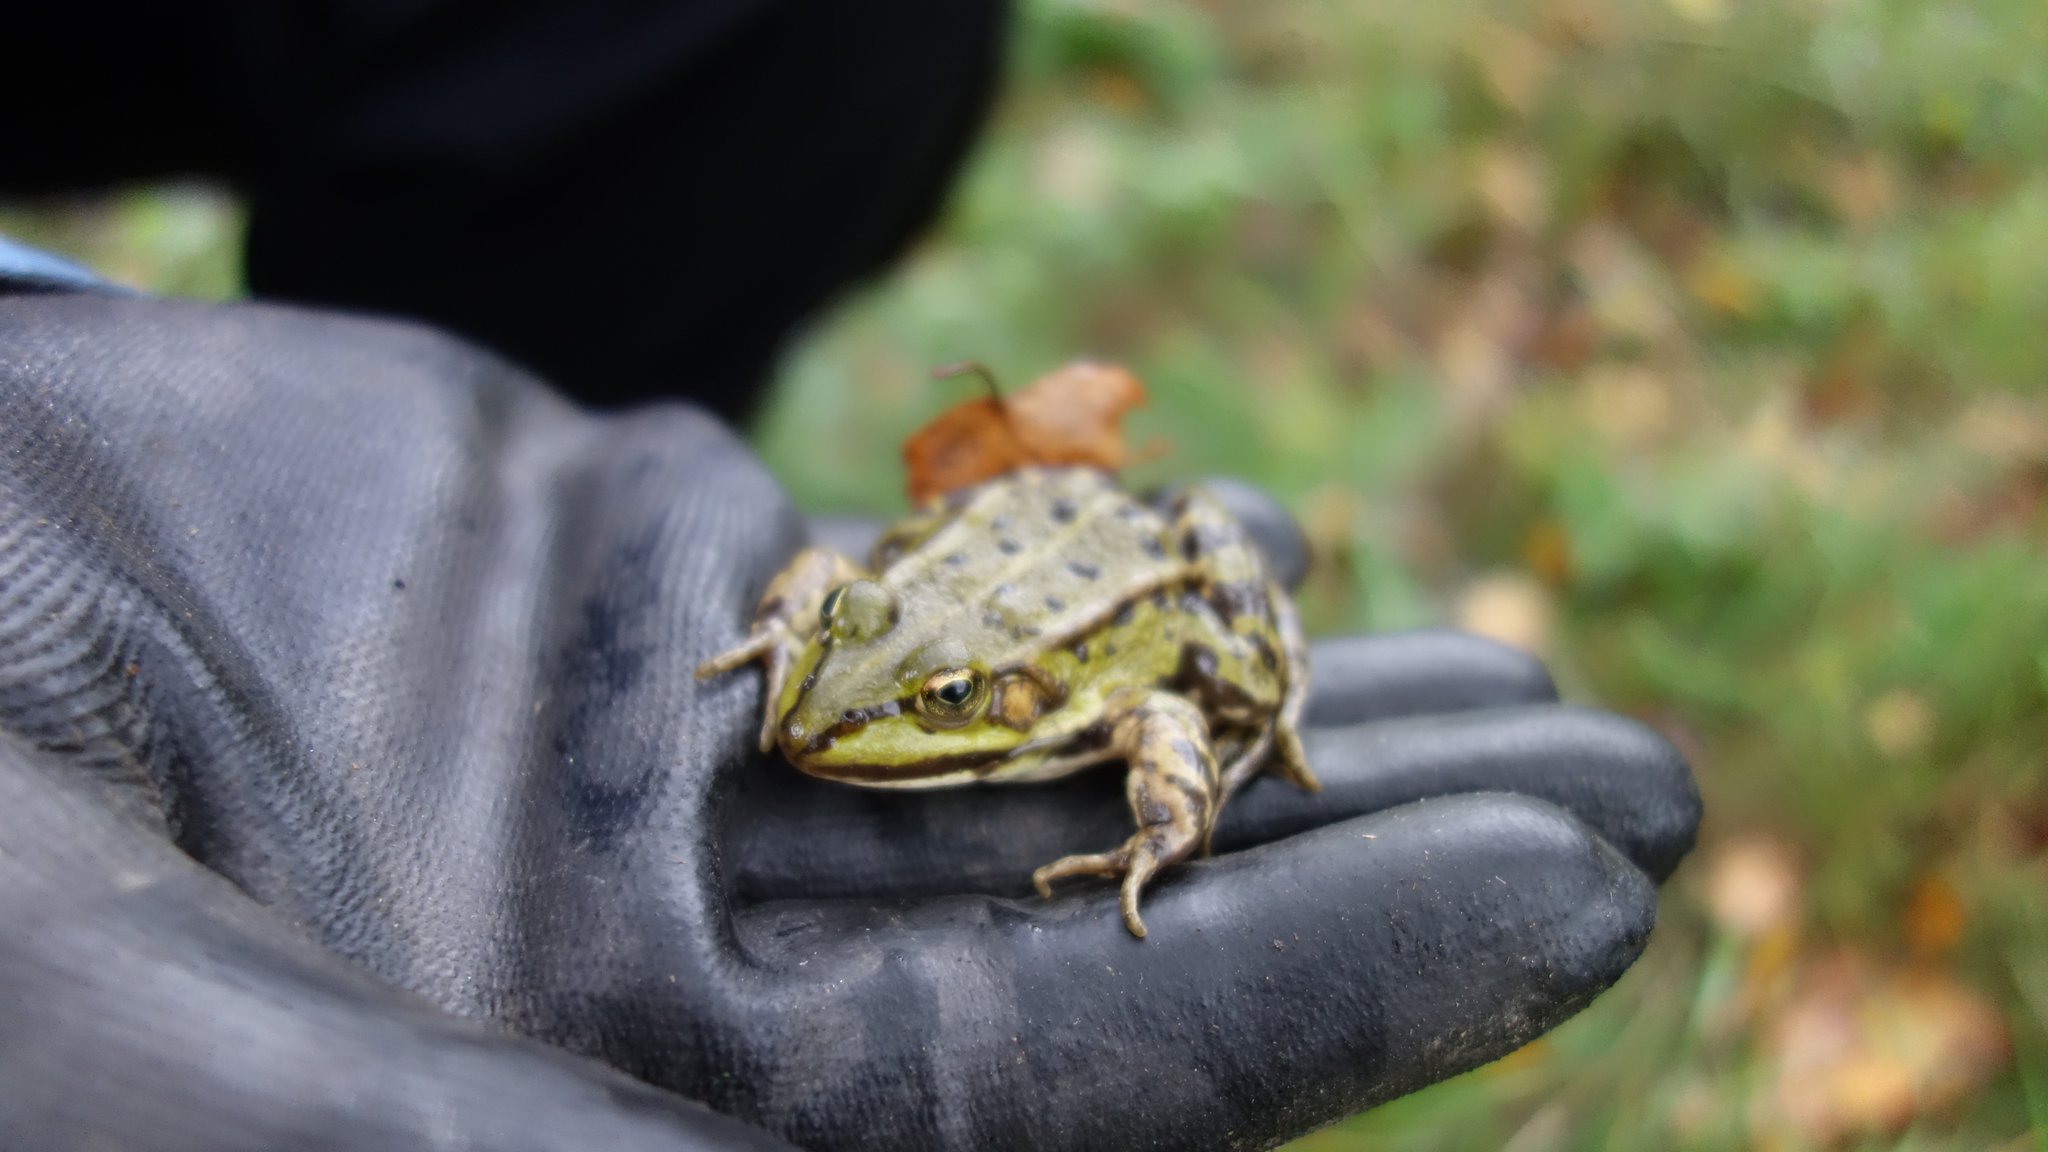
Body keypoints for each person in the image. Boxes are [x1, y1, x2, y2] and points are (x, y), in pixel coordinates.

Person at [0, 3, 1700, 1149]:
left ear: (998, 707)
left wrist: (1176, 806)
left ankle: (429, 440)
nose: (821, 716)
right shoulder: (852, 651)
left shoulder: (1083, 693)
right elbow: (830, 582)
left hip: (1102, 598)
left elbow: (1156, 726)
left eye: (938, 710)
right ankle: (403, 492)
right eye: (837, 664)